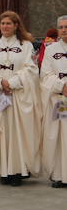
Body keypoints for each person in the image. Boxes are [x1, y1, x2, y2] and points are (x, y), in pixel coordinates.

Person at [0, 10, 41, 186]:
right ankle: (3, 170)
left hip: (18, 96)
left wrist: (12, 82)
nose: (5, 26)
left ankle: (18, 171)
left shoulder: (26, 45)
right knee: (1, 133)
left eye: (9, 23)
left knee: (18, 133)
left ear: (16, 26)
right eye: (3, 23)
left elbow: (31, 69)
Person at [40, 15, 67, 188]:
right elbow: (45, 75)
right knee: (59, 137)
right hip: (60, 100)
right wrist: (61, 85)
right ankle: (59, 174)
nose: (64, 30)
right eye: (61, 27)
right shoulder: (50, 50)